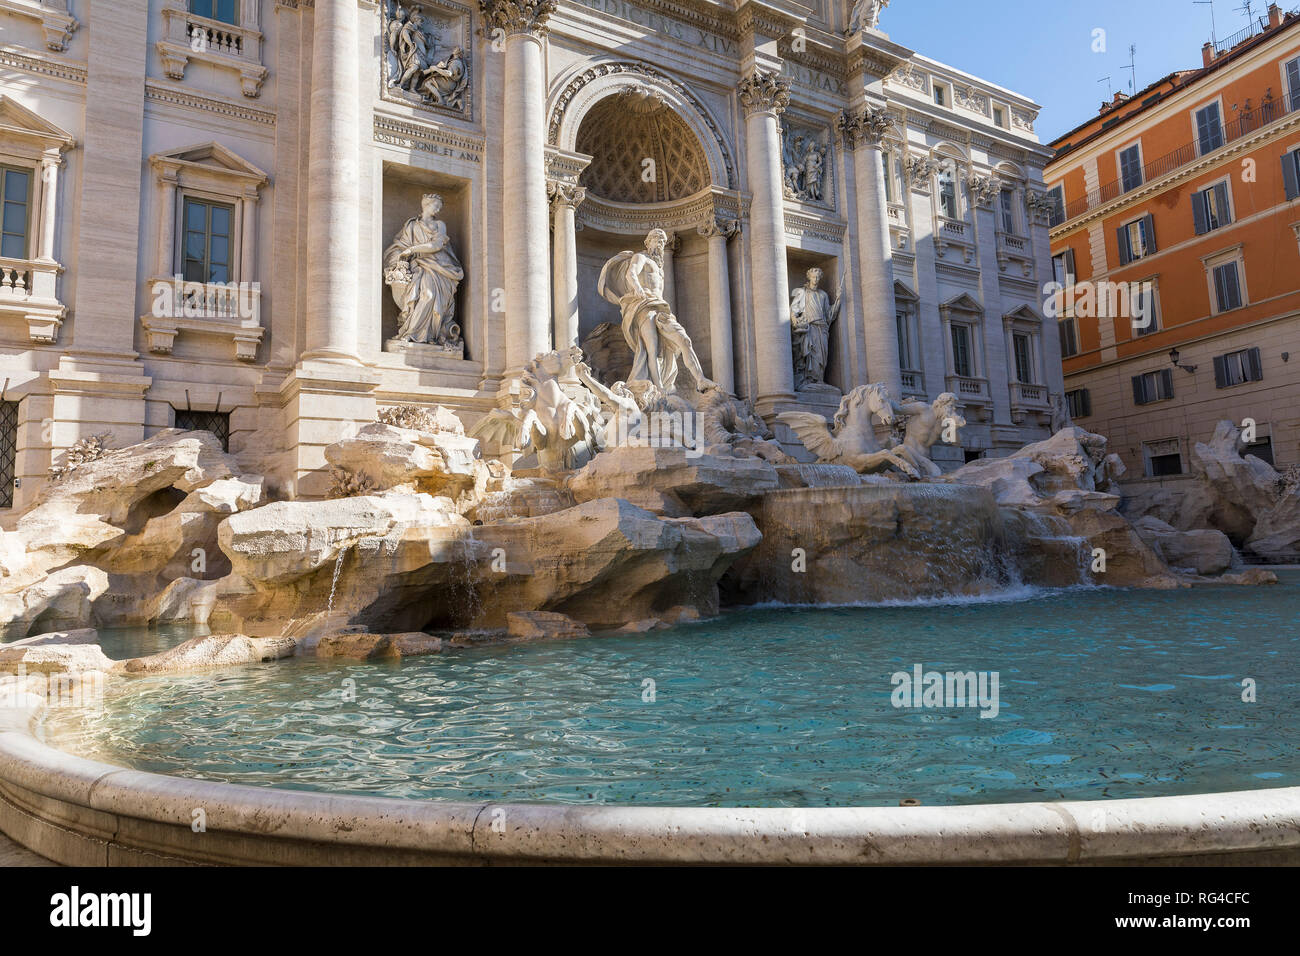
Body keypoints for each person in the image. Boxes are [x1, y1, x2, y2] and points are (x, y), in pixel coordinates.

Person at [598, 229, 717, 393]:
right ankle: (659, 390)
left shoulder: (660, 267)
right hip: (644, 306)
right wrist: (638, 288)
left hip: (661, 309)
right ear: (647, 242)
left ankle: (700, 379)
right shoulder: (641, 257)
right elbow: (631, 274)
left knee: (684, 340)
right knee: (652, 350)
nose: (660, 243)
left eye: (662, 241)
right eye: (656, 239)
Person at [383, 193, 464, 345]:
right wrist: (400, 256)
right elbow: (401, 245)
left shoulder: (440, 224)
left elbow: (437, 245)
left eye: (440, 207)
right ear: (426, 205)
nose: (438, 210)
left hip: (439, 267)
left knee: (430, 296)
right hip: (419, 266)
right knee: (424, 296)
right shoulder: (412, 225)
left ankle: (429, 335)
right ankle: (412, 334)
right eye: (436, 206)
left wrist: (412, 250)